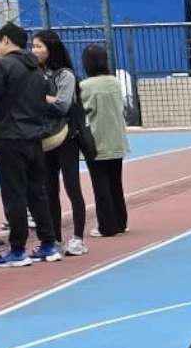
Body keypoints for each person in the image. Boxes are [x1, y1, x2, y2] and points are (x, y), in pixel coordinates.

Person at [0, 21, 61, 268]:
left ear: (5, 40)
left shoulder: (1, 67)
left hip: (10, 137)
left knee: (14, 195)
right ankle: (48, 244)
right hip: (34, 137)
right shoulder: (36, 69)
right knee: (38, 193)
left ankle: (18, 249)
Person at [33, 29, 90, 255]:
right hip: (45, 137)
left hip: (66, 137)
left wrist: (41, 98)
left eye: (38, 46)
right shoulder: (35, 73)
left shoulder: (65, 75)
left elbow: (63, 105)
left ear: (51, 48)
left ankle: (77, 238)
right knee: (49, 190)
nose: (34, 50)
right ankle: (54, 239)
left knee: (72, 186)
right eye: (33, 46)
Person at [79, 43, 130, 237]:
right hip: (116, 138)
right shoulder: (114, 82)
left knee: (100, 185)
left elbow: (83, 109)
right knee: (116, 183)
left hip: (97, 140)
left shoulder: (85, 86)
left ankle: (107, 226)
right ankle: (120, 222)